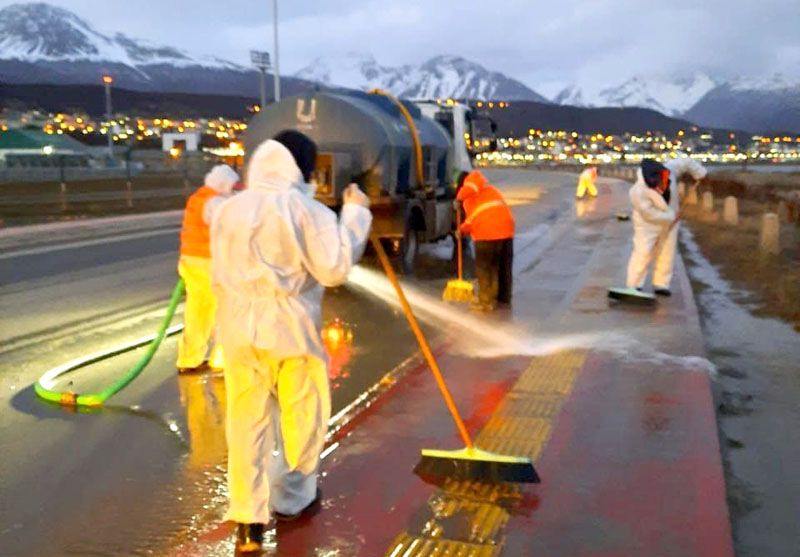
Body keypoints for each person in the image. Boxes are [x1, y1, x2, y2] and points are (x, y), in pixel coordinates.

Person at [210, 130, 371, 553]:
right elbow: (334, 268)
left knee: (245, 423)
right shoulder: (303, 209)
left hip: (239, 328)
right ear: (301, 165)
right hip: (290, 328)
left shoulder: (230, 210)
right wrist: (355, 215)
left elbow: (217, 273)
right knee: (303, 414)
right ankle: (293, 497)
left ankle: (247, 520)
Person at [176, 164, 240, 373]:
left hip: (191, 261)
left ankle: (189, 359)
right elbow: (232, 226)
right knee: (224, 312)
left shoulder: (198, 198)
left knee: (197, 313)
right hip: (210, 264)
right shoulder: (216, 202)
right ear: (224, 184)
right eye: (232, 186)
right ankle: (221, 361)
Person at [625, 158, 706, 295]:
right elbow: (648, 213)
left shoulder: (669, 170)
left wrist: (699, 172)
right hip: (647, 224)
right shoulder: (637, 191)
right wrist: (671, 217)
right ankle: (634, 285)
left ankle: (661, 284)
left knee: (667, 252)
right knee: (643, 252)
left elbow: (685, 161)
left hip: (671, 222)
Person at [456, 170, 515, 311]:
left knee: (485, 268)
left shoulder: (468, 199)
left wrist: (461, 230)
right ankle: (503, 298)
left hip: (486, 233)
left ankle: (486, 301)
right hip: (506, 231)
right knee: (503, 267)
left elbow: (472, 219)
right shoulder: (491, 190)